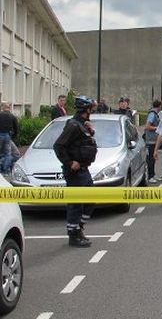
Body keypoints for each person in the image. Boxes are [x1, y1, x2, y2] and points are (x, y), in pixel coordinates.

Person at [53, 96, 98, 248]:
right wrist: (70, 162)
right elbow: (58, 146)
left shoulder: (81, 124)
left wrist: (90, 131)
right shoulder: (73, 125)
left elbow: (82, 143)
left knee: (90, 199)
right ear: (86, 109)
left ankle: (79, 227)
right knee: (76, 204)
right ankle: (73, 235)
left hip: (84, 171)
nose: (93, 110)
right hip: (75, 173)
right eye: (91, 108)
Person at [145, 100, 162, 183]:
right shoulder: (152, 114)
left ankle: (153, 174)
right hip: (150, 140)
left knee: (153, 158)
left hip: (153, 140)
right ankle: (150, 176)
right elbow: (147, 126)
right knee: (151, 159)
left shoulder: (154, 114)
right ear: (159, 106)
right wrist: (157, 128)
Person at [0, 104, 18, 174]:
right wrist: (14, 136)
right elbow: (16, 128)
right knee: (8, 154)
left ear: (3, 108)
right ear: (9, 108)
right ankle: (5, 170)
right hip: (7, 136)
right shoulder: (12, 116)